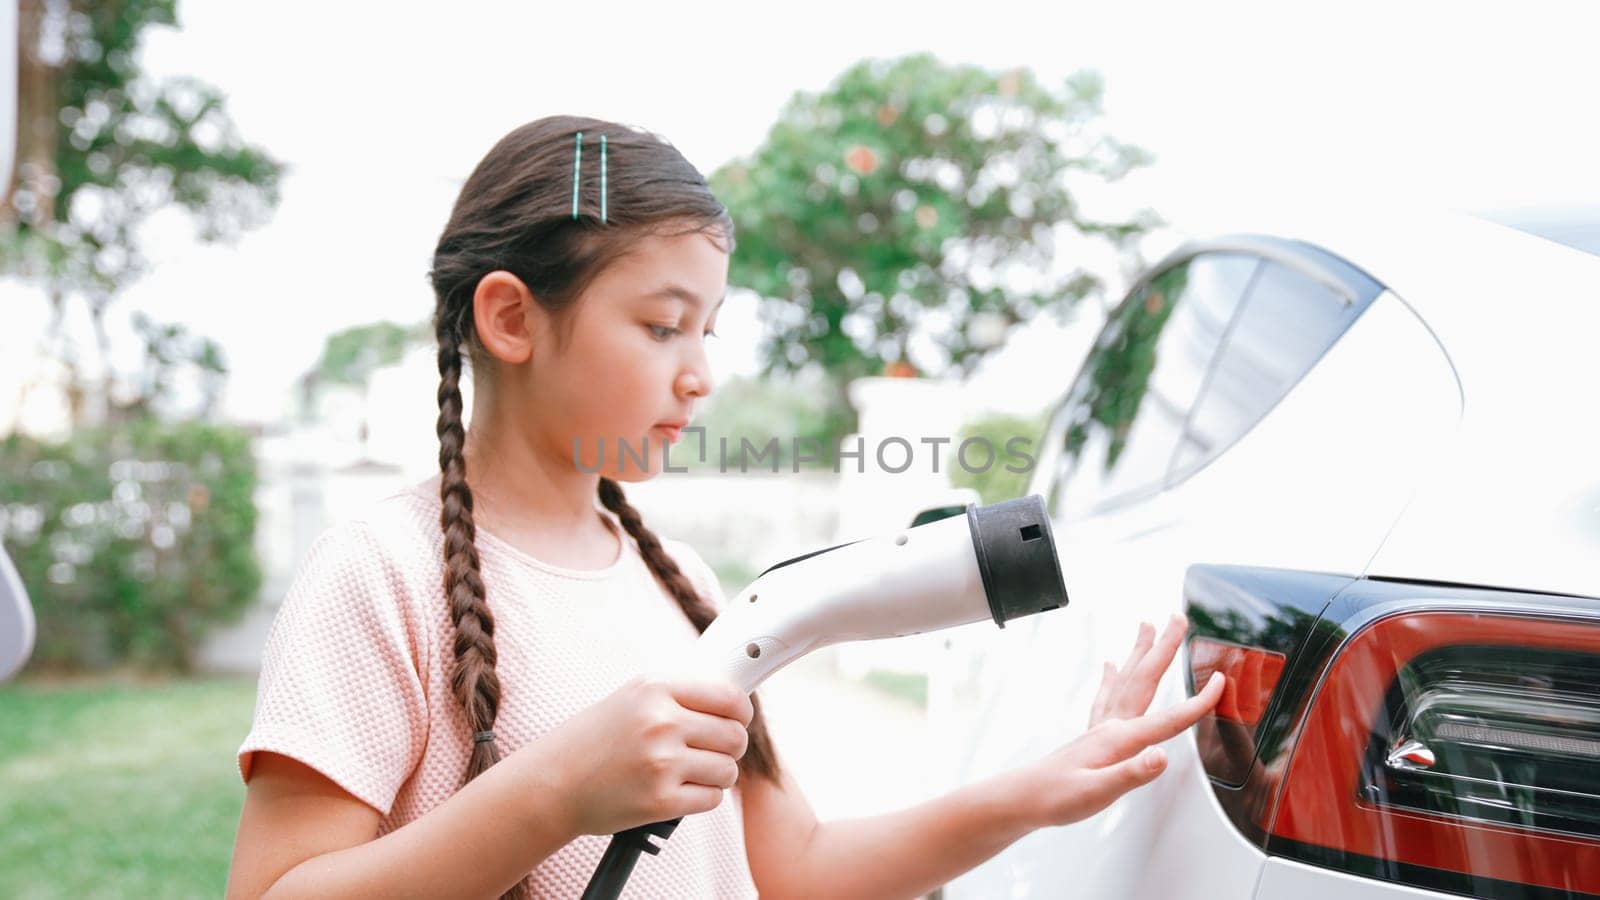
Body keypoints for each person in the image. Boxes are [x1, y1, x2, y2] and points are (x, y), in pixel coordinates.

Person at [224, 115, 1226, 900]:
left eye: (708, 329)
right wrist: (554, 793)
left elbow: (797, 871)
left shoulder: (684, 586)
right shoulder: (377, 574)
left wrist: (1038, 788)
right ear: (511, 317)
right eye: (663, 326)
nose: (701, 375)